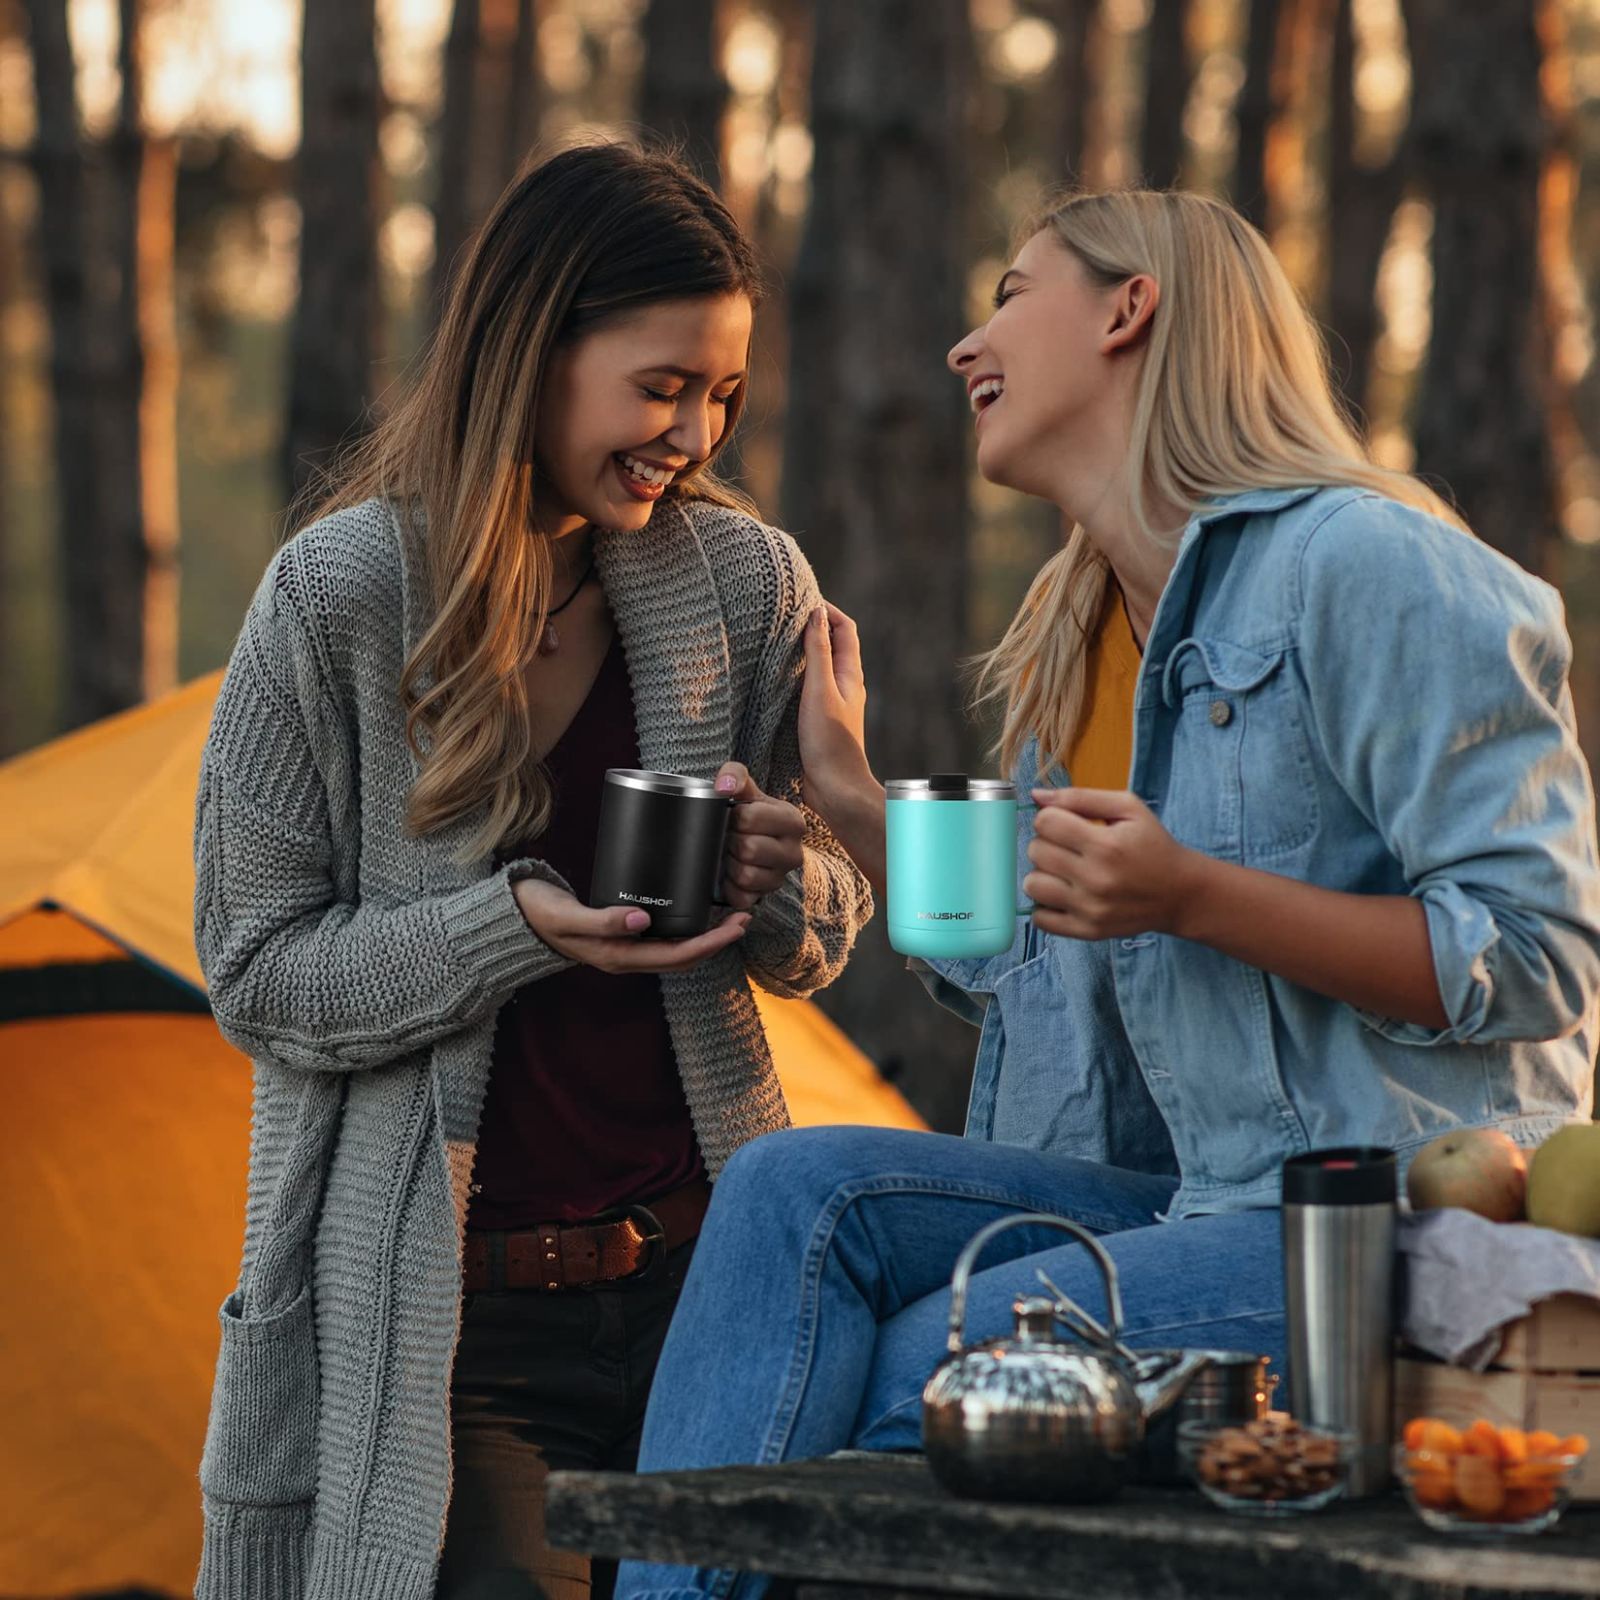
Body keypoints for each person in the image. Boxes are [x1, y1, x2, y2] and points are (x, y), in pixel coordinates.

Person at [612, 187, 1600, 1600]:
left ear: (1130, 309)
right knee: (786, 1187)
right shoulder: (1087, 629)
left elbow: (1535, 954)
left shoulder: (1369, 567)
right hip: (1167, 1198)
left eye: (1012, 293)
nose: (966, 345)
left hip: (1367, 1234)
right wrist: (845, 798)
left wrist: (1195, 895)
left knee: (918, 1371)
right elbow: (1015, 954)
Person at [190, 141, 872, 1600]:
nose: (696, 431)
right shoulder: (340, 599)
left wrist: (784, 866)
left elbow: (827, 935)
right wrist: (518, 932)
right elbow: (255, 973)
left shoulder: (744, 583)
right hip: (456, 1328)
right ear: (538, 346)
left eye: (724, 397)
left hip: (712, 1291)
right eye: (664, 385)